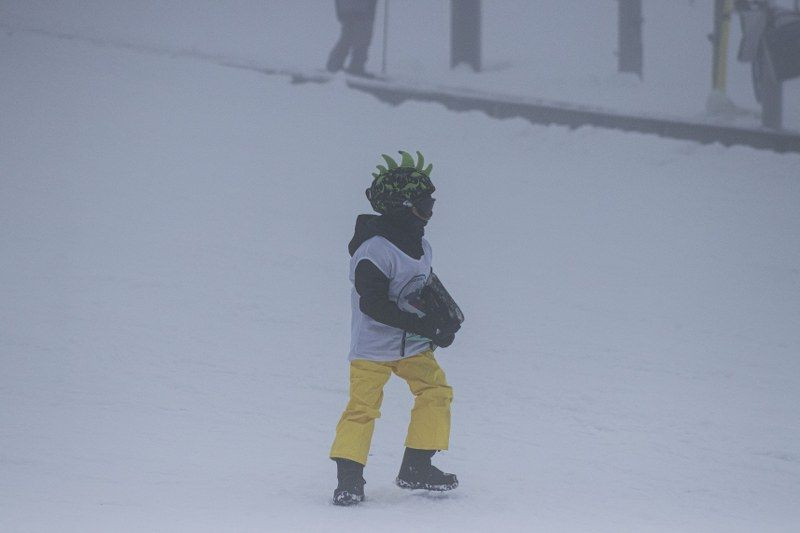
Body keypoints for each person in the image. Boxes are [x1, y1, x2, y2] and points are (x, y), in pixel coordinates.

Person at [330, 151, 461, 506]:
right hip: (372, 349)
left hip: (413, 347)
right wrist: (423, 324)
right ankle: (349, 480)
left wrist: (444, 322)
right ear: (404, 205)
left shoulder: (421, 246)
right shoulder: (374, 251)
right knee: (362, 408)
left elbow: (424, 285)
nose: (429, 210)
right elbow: (371, 303)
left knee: (436, 392)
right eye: (424, 203)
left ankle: (417, 467)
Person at [326, 0, 378, 77]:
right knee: (362, 37)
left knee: (347, 36)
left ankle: (334, 63)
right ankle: (356, 67)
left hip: (345, 8)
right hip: (362, 9)